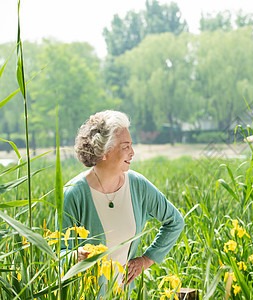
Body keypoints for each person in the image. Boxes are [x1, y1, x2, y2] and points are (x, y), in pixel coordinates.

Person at [61, 110, 184, 295]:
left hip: (124, 294)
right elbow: (59, 253)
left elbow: (175, 222)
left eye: (131, 145)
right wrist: (75, 256)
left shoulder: (138, 185)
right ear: (104, 151)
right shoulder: (74, 194)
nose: (132, 152)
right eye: (125, 146)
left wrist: (146, 260)